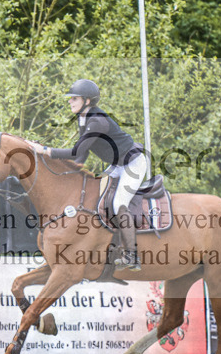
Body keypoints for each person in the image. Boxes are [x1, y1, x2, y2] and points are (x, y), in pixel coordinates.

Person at [28, 79, 150, 270]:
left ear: (87, 101)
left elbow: (76, 152)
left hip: (132, 164)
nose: (70, 101)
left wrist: (45, 150)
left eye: (74, 98)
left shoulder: (97, 121)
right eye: (70, 99)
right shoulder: (83, 118)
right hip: (117, 164)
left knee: (119, 204)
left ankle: (132, 256)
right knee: (95, 198)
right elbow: (81, 157)